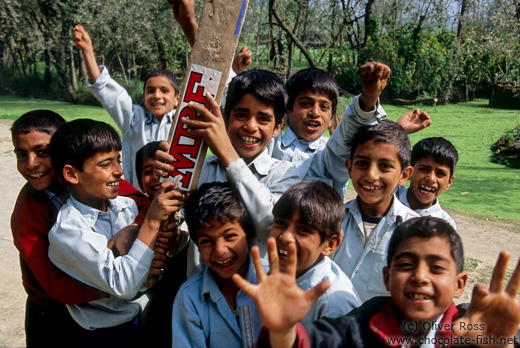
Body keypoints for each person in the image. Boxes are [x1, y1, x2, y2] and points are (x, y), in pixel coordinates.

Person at [233, 216, 520, 348]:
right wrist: (282, 331)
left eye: (436, 267)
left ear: (460, 284)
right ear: (387, 277)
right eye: (406, 265)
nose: (420, 277)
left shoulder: (476, 332)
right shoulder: (355, 330)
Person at [10, 110, 158, 347]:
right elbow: (56, 286)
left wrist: (132, 228)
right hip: (52, 313)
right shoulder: (28, 211)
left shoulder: (96, 181)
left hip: (104, 310)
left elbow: (144, 205)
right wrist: (130, 279)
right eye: (21, 155)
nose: (31, 164)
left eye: (42, 152)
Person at [47, 119, 182, 347]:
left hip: (147, 317)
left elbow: (150, 267)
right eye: (105, 164)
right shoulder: (67, 231)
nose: (119, 171)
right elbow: (125, 285)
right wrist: (149, 224)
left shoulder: (126, 207)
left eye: (118, 160)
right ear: (71, 174)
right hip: (105, 335)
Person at [155, 69, 301, 260]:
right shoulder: (201, 169)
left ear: (277, 128)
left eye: (263, 119)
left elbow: (270, 224)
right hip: (200, 286)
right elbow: (187, 230)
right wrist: (176, 238)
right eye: (241, 115)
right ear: (225, 118)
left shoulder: (286, 175)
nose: (251, 126)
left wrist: (229, 157)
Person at [270, 66, 431, 199]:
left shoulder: (330, 152)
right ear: (287, 111)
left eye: (324, 107)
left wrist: (369, 98)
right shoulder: (270, 145)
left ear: (331, 117)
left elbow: (346, 140)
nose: (315, 112)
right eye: (306, 103)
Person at [331, 119, 419, 302]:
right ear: (349, 167)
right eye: (362, 163)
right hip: (330, 327)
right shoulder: (333, 221)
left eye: (385, 166)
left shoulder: (415, 231)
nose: (371, 175)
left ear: (404, 175)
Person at [172, 182, 263, 348]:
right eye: (207, 241)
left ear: (249, 234)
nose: (220, 251)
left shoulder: (274, 281)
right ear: (197, 245)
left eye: (230, 237)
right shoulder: (190, 297)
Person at [270, 180, 361, 322]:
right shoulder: (272, 274)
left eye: (303, 230)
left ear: (329, 245)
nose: (285, 237)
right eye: (280, 223)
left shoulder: (334, 304)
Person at [396, 137, 458, 229]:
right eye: (424, 169)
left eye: (440, 173)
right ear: (409, 172)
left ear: (449, 182)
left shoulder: (445, 226)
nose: (431, 179)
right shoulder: (390, 196)